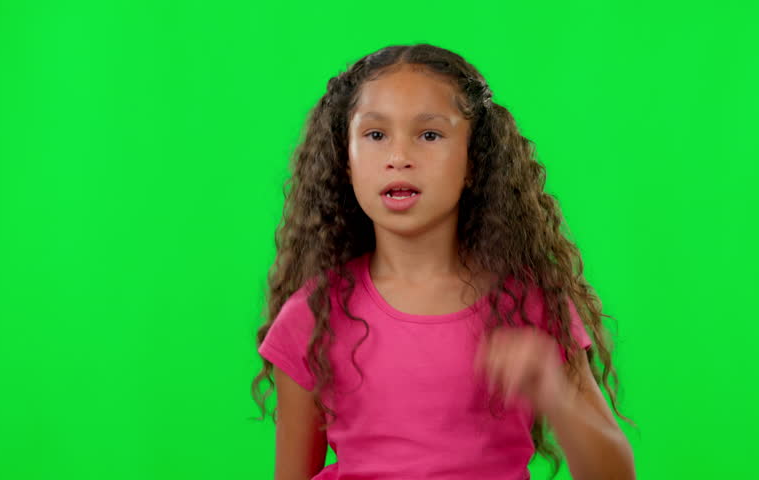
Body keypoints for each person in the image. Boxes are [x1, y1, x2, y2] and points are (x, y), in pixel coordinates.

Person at [251, 43, 635, 480]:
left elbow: (615, 474)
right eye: (376, 135)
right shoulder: (313, 314)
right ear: (346, 161)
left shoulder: (527, 305)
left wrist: (556, 395)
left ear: (474, 162)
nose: (399, 157)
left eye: (429, 135)